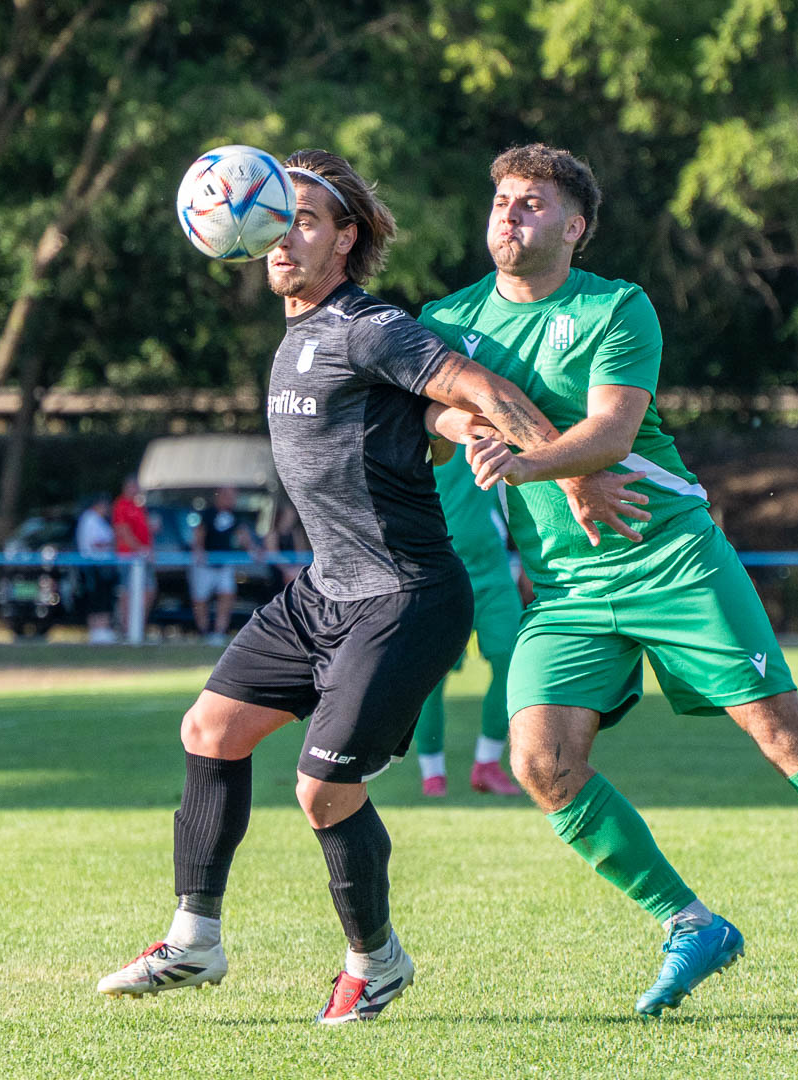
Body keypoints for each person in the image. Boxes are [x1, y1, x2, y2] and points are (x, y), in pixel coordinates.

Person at [96, 148, 639, 1024]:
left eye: (304, 220)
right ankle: (194, 939)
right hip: (324, 592)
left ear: (344, 239)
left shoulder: (367, 324)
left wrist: (566, 469)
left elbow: (472, 387)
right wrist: (448, 425)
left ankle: (375, 961)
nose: (282, 237)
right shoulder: (301, 331)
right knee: (209, 730)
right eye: (276, 221)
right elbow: (423, 414)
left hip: (405, 597)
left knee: (323, 792)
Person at [417, 144, 798, 1025]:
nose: (509, 214)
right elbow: (426, 415)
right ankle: (690, 923)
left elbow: (612, 432)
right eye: (502, 199)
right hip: (567, 589)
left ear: (575, 228)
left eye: (532, 203)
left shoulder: (615, 306)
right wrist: (457, 421)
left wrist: (530, 462)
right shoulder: (446, 317)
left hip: (672, 556)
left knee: (782, 734)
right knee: (541, 762)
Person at [413, 457, 525, 797]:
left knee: (513, 662)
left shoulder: (494, 431)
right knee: (430, 678)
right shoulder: (418, 434)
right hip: (440, 573)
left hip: (494, 572)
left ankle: (488, 763)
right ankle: (432, 774)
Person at [190, 486, 262, 645]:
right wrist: (199, 550)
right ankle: (204, 631)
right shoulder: (208, 513)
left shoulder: (235, 516)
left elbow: (243, 536)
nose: (232, 500)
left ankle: (219, 632)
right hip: (205, 565)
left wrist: (253, 550)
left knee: (227, 594)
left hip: (224, 564)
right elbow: (199, 532)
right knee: (200, 599)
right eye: (229, 496)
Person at [112, 474, 156, 634]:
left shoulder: (139, 506)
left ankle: (137, 626)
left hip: (142, 558)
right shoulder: (121, 505)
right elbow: (123, 531)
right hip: (129, 557)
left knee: (148, 590)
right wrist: (140, 549)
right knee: (128, 592)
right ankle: (127, 628)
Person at [75, 493, 119, 644]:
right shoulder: (90, 519)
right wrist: (114, 543)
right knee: (98, 598)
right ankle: (97, 630)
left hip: (102, 565)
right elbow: (96, 543)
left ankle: (103, 629)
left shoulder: (98, 520)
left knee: (103, 597)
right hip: (94, 566)